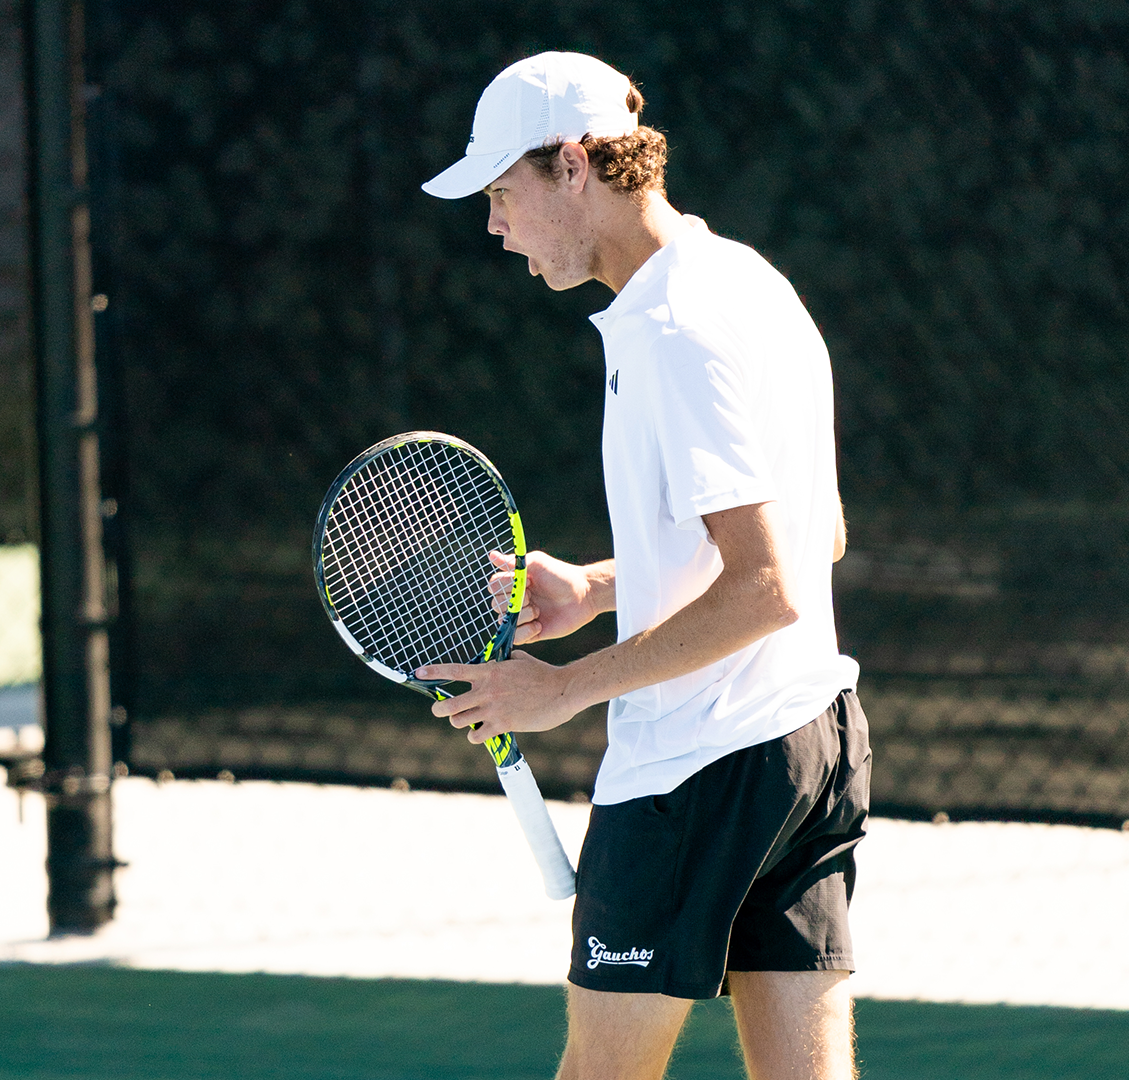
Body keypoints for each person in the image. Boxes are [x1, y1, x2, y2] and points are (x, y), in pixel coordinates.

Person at [416, 52, 867, 1080]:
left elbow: (767, 587)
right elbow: (814, 530)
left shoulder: (673, 328)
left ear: (574, 165)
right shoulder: (750, 285)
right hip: (813, 743)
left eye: (502, 193)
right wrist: (601, 589)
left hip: (694, 770)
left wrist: (561, 690)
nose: (495, 226)